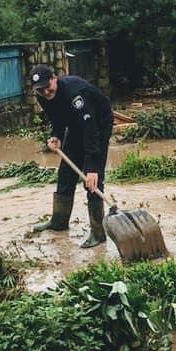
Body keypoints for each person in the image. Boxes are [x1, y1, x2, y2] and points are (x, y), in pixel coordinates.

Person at [29, 64, 114, 248]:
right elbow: (57, 117)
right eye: (40, 89)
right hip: (76, 126)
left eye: (47, 86)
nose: (45, 92)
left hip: (97, 126)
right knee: (66, 174)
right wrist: (56, 136)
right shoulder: (42, 95)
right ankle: (59, 222)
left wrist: (92, 168)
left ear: (54, 78)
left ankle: (98, 232)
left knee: (92, 182)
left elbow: (90, 131)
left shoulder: (76, 94)